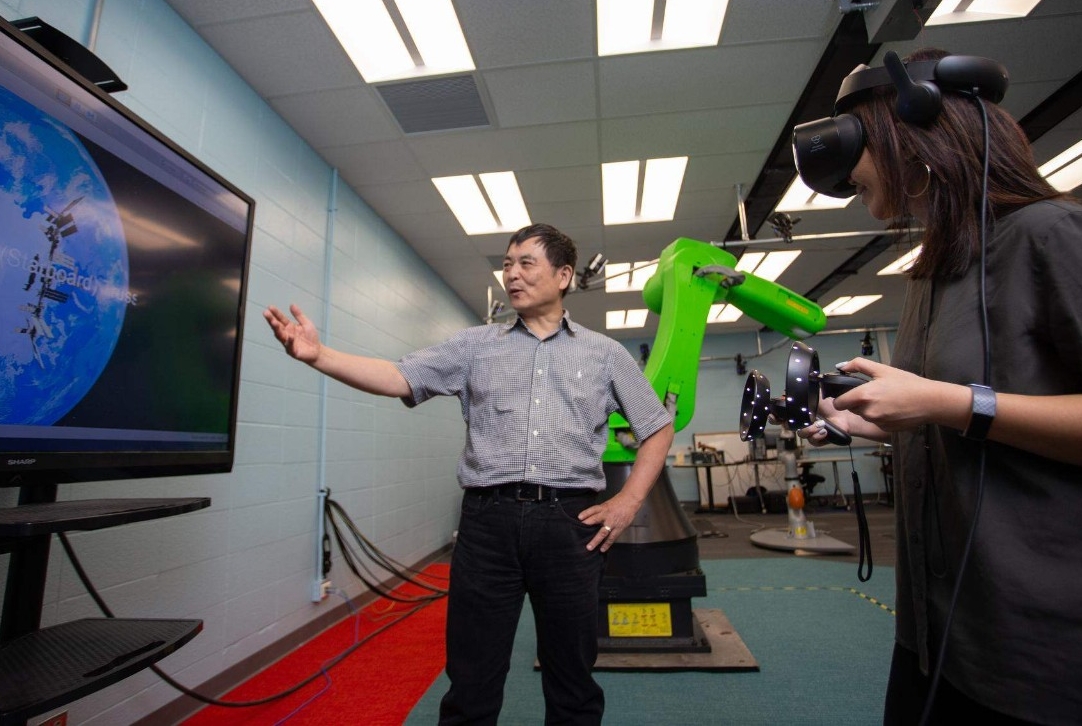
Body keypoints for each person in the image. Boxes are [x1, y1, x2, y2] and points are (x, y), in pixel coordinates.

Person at [264, 223, 674, 725]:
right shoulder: (474, 346)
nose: (513, 275)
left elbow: (657, 426)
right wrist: (319, 355)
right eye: (507, 264)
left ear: (564, 275)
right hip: (488, 525)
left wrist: (629, 500)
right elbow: (400, 376)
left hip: (571, 527)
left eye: (527, 263)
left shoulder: (605, 354)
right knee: (471, 679)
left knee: (572, 677)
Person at [797, 48, 1082, 724]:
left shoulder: (1048, 234)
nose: (846, 176)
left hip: (1035, 645)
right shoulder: (931, 272)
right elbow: (973, 411)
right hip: (937, 626)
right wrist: (895, 419)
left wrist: (944, 402)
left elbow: (966, 403)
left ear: (908, 133)